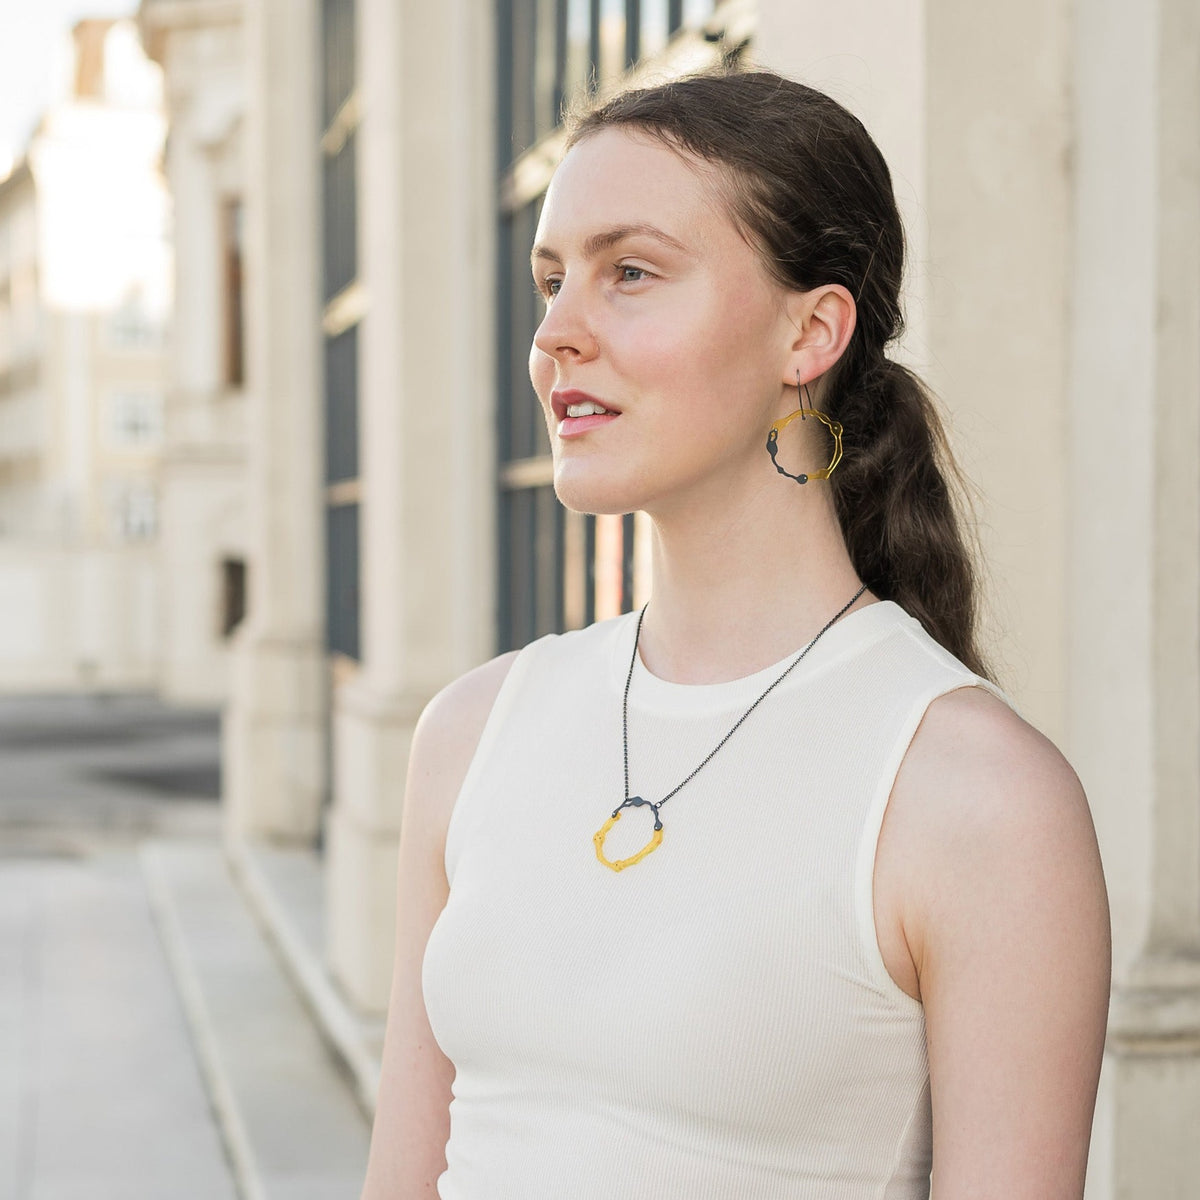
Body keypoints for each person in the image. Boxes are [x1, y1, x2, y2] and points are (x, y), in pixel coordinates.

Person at [359, 70, 1110, 1200]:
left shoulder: (976, 798)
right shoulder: (471, 732)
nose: (556, 334)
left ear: (810, 331)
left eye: (631, 273)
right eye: (551, 281)